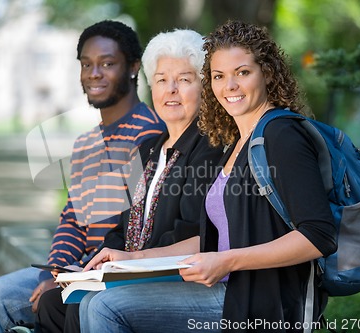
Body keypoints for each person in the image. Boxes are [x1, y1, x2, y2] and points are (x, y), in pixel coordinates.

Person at [81, 20, 338, 333]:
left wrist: (227, 261)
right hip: (225, 289)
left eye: (242, 72)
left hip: (262, 304)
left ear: (267, 72)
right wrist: (132, 257)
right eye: (219, 76)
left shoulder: (282, 134)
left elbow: (319, 235)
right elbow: (212, 238)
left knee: (106, 307)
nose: (229, 85)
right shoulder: (238, 141)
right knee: (90, 301)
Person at [0, 20, 167, 333]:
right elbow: (73, 217)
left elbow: (134, 226)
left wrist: (71, 278)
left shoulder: (152, 135)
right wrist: (53, 273)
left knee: (0, 301)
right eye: (86, 64)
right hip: (74, 269)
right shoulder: (86, 143)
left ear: (133, 68)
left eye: (107, 63)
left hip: (115, 273)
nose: (94, 73)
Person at [34, 28, 224, 333]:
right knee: (54, 302)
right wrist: (96, 262)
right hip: (130, 270)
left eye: (184, 79)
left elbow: (196, 234)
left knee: (81, 304)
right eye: (162, 80)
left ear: (204, 87)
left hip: (173, 278)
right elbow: (123, 226)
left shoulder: (209, 150)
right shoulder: (147, 150)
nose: (171, 90)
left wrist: (130, 260)